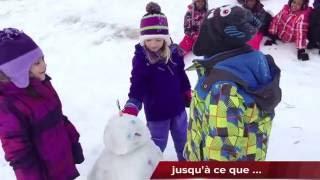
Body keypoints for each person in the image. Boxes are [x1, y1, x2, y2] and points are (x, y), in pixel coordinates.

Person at [183, 5, 281, 161]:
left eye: (205, 33)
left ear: (215, 39)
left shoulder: (223, 88)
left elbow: (221, 151)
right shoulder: (251, 62)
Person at [0, 28, 84, 180]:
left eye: (42, 59)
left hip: (62, 164)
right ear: (18, 70)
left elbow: (59, 118)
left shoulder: (42, 84)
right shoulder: (9, 105)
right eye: (37, 63)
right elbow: (19, 153)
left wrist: (73, 141)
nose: (44, 65)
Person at [121, 2, 191, 161]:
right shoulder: (142, 60)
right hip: (157, 113)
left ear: (165, 39)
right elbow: (137, 84)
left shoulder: (174, 54)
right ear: (143, 39)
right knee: (156, 144)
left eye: (158, 40)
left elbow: (181, 75)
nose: (153, 44)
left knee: (184, 140)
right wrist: (132, 105)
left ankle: (186, 164)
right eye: (149, 40)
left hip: (178, 109)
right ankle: (150, 166)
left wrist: (186, 91)